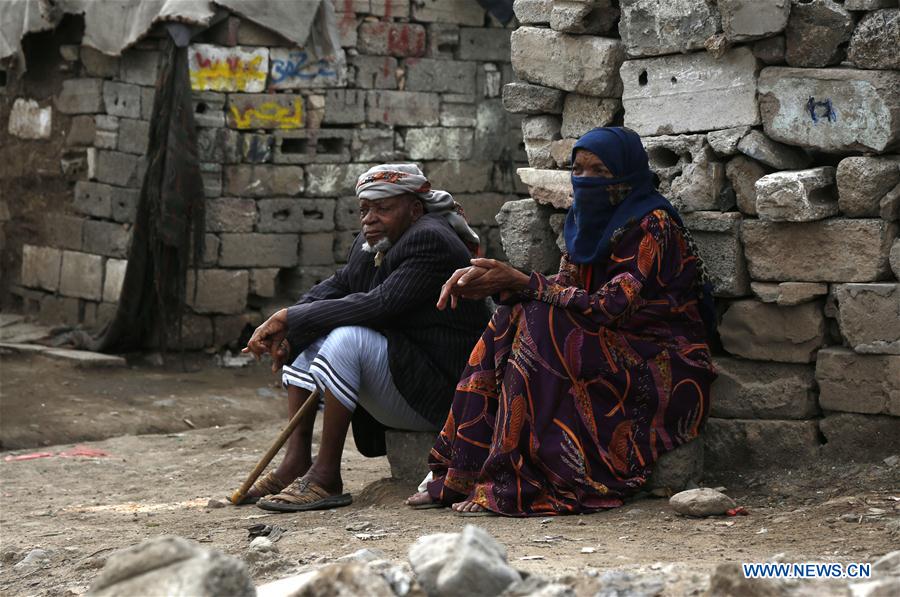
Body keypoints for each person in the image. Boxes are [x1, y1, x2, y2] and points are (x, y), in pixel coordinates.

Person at [406, 127, 718, 516]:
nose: (584, 180)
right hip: (606, 343)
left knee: (541, 319)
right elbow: (566, 286)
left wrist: (523, 282)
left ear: (626, 172)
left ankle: (516, 478)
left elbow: (612, 305)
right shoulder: (586, 220)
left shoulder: (651, 223)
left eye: (599, 171)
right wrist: (499, 284)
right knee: (512, 314)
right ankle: (461, 472)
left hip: (662, 358)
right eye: (578, 169)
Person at [239, 164, 491, 512]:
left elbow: (380, 304)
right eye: (364, 209)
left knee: (347, 337)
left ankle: (326, 477)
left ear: (415, 209)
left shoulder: (431, 238)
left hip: (442, 394)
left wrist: (289, 317)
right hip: (405, 376)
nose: (369, 219)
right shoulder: (373, 239)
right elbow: (342, 284)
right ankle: (296, 462)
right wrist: (289, 327)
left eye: (382, 208)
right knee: (309, 330)